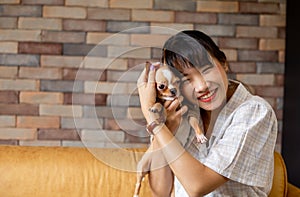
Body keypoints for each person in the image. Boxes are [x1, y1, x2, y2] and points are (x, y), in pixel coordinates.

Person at [136, 30, 278, 197]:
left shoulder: (254, 112)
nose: (201, 86)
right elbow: (161, 192)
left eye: (205, 69)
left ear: (223, 62)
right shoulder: (178, 115)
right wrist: (167, 129)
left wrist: (153, 120)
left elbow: (198, 185)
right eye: (186, 79)